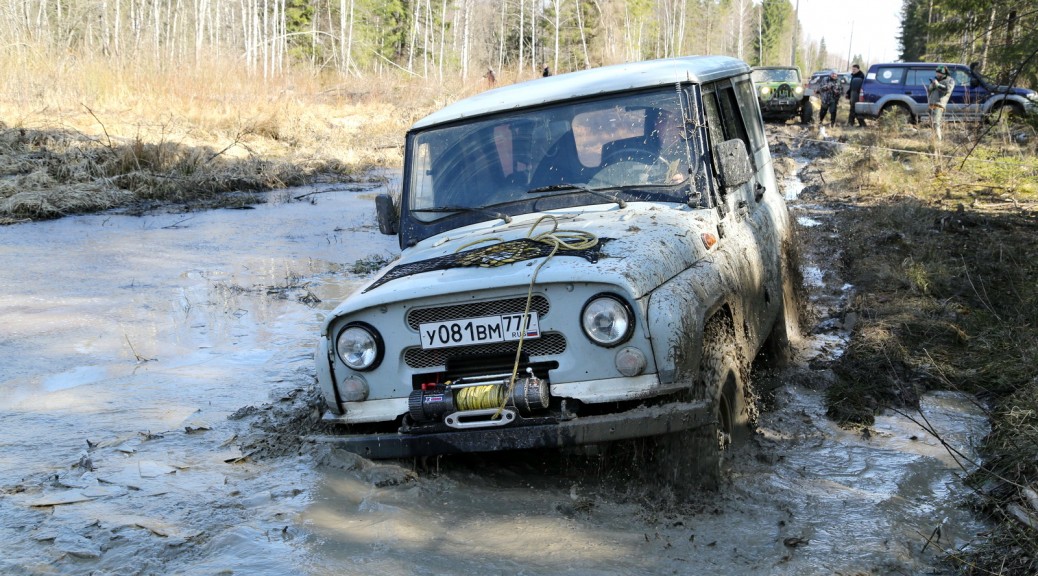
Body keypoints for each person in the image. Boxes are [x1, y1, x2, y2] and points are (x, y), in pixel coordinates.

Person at [925, 65, 955, 141]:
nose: (937, 74)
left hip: (939, 105)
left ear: (944, 73)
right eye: (937, 73)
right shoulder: (935, 80)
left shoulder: (950, 80)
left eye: (939, 73)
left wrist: (937, 85)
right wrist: (932, 85)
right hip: (931, 104)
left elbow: (947, 89)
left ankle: (938, 142)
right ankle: (933, 141)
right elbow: (929, 90)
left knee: (936, 123)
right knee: (931, 124)